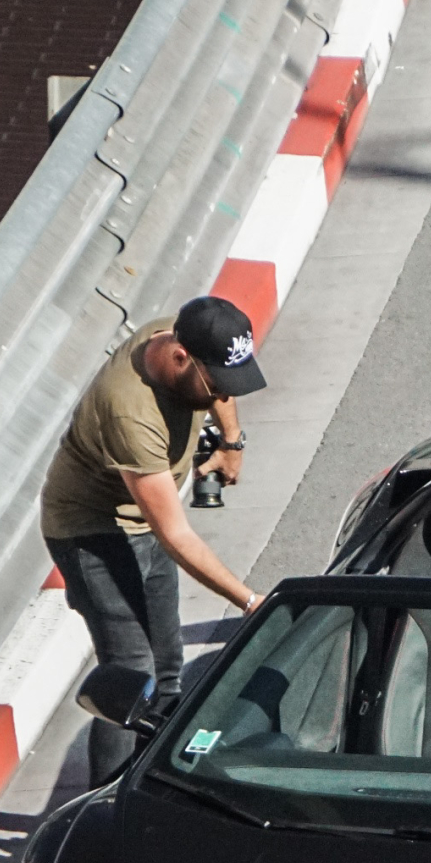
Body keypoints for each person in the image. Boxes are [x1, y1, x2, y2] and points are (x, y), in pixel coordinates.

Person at [40, 295, 263, 774]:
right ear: (181, 357)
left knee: (168, 669)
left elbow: (220, 387)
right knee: (131, 674)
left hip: (143, 521)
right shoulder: (130, 411)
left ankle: (151, 782)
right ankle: (104, 805)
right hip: (91, 533)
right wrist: (249, 602)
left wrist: (231, 443)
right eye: (217, 384)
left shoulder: (180, 335)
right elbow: (176, 536)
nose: (223, 394)